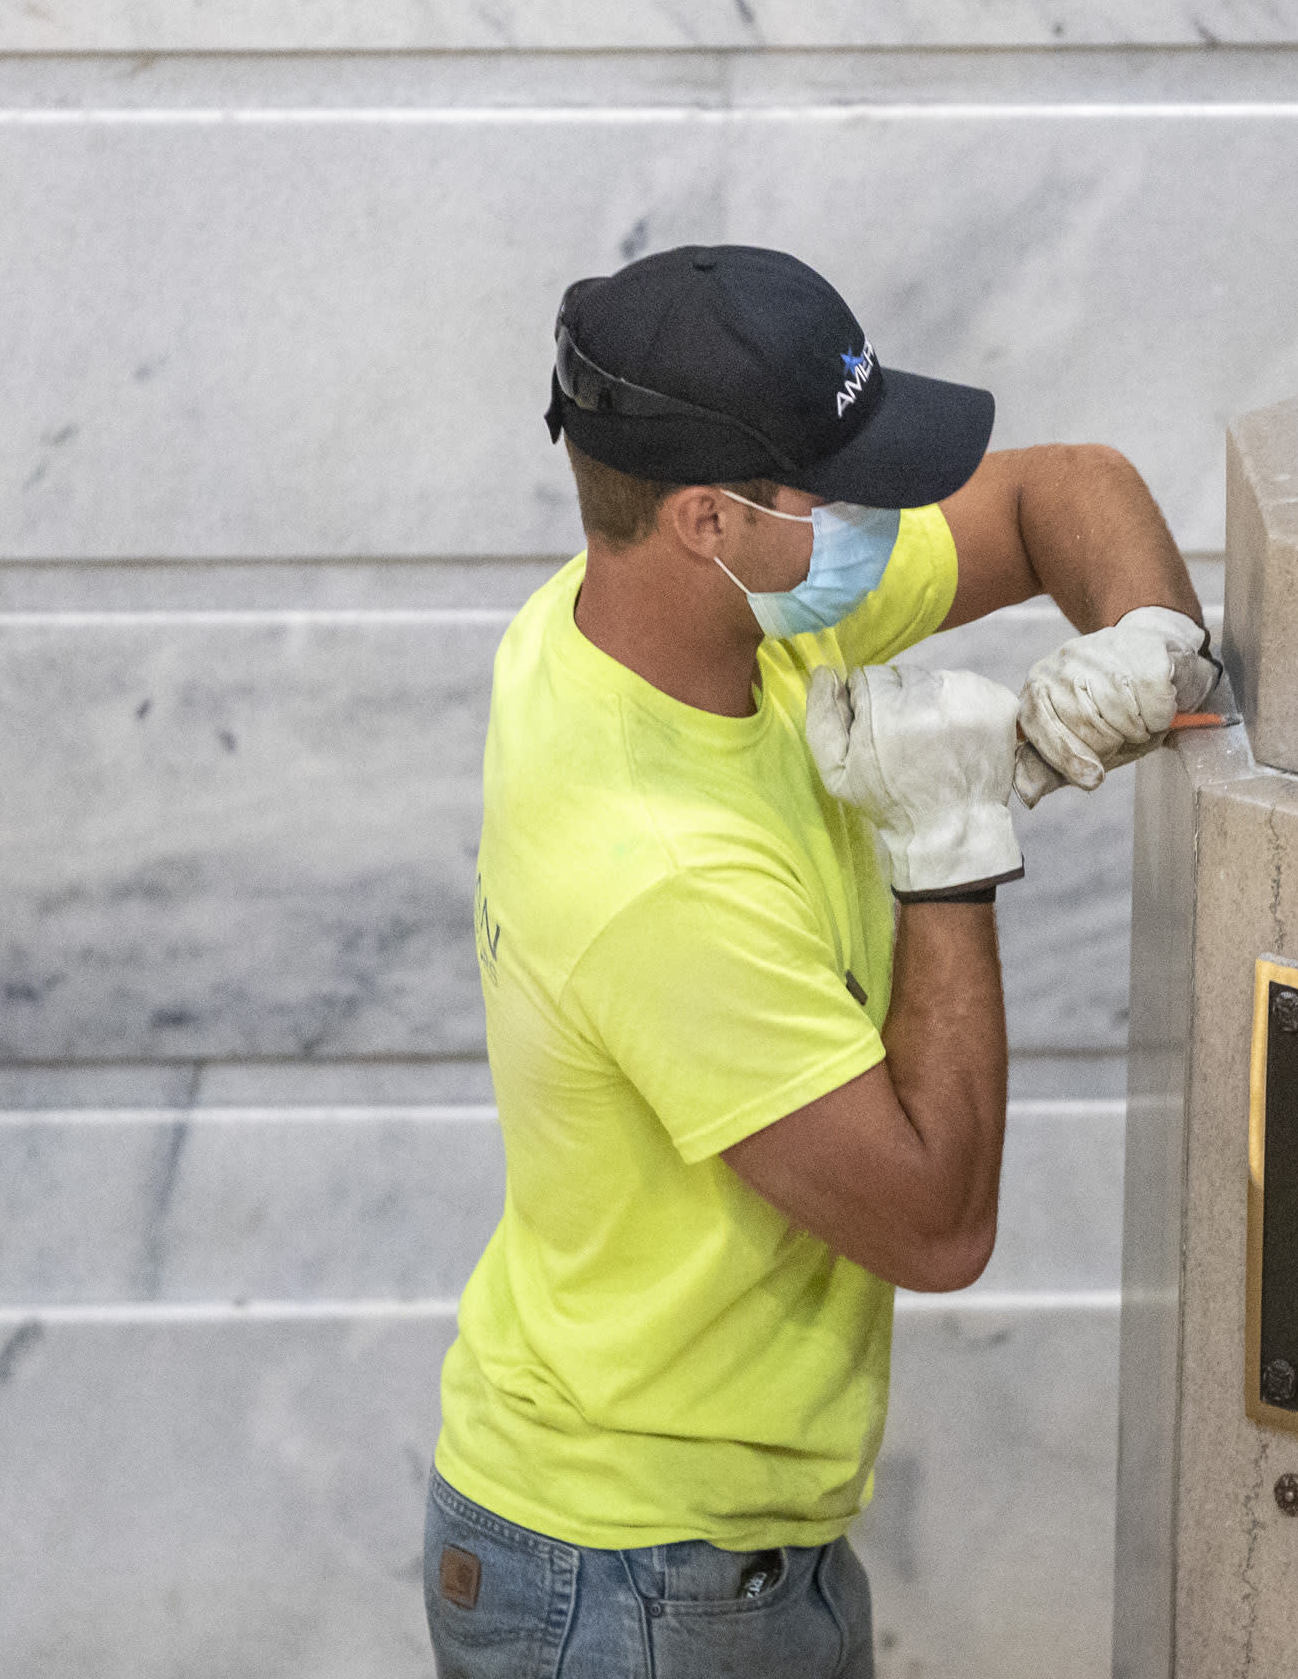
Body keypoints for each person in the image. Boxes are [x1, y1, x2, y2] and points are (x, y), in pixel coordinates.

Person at [421, 244, 1213, 1678]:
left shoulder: (690, 624)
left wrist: (1152, 642)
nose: (876, 518)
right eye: (831, 492)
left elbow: (1063, 489)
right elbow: (936, 1221)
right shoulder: (650, 871)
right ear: (709, 520)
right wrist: (952, 842)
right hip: (627, 1583)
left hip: (722, 1550)